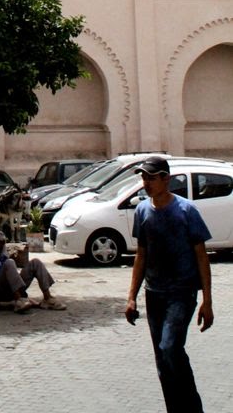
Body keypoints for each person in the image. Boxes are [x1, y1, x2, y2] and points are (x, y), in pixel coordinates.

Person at [125, 155, 213, 413]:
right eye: (144, 178)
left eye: (151, 178)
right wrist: (131, 297)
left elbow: (202, 256)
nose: (146, 183)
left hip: (182, 293)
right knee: (162, 361)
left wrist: (207, 302)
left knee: (170, 347)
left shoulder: (186, 211)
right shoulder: (142, 211)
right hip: (155, 295)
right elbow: (141, 255)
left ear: (166, 179)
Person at [0, 230, 66, 311]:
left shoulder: (2, 257)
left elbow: (12, 276)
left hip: (11, 289)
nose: (0, 245)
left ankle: (47, 298)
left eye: (2, 242)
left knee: (35, 262)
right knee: (10, 262)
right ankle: (19, 301)